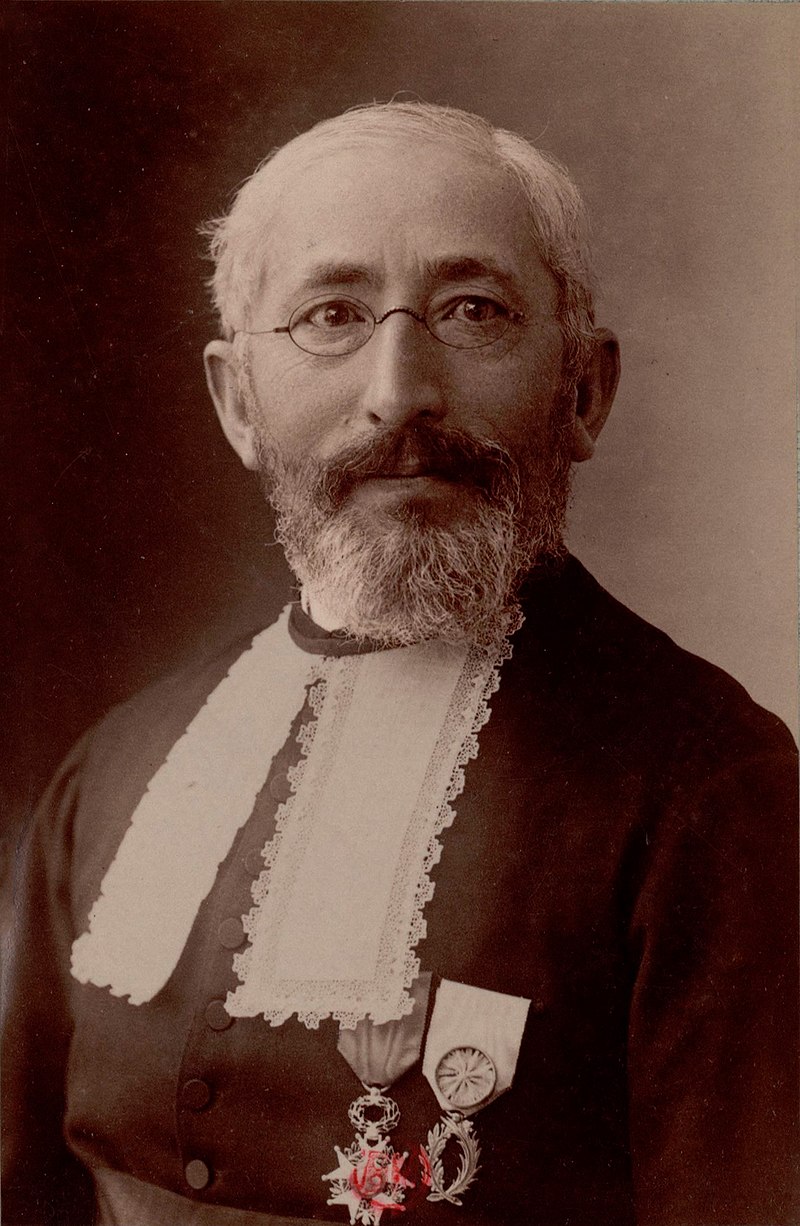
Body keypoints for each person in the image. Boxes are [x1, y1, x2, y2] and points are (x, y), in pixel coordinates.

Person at [3, 102, 797, 1226]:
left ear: (582, 389)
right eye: (330, 315)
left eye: (473, 311)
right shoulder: (115, 771)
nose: (399, 390)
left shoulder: (706, 787)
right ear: (238, 403)